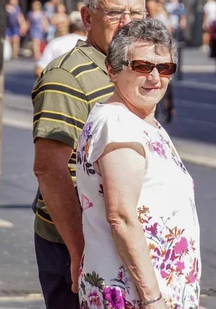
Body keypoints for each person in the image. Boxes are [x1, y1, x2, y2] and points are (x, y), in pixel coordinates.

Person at [32, 0, 146, 309]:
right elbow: (50, 170)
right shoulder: (66, 76)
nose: (127, 22)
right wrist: (79, 249)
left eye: (136, 13)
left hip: (118, 240)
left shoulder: (128, 68)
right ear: (87, 17)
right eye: (115, 13)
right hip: (80, 244)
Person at [75, 18, 200, 308]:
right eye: (143, 66)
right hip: (134, 295)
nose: (155, 77)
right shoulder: (118, 124)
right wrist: (152, 298)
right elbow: (121, 217)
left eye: (165, 68)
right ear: (112, 70)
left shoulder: (140, 121)